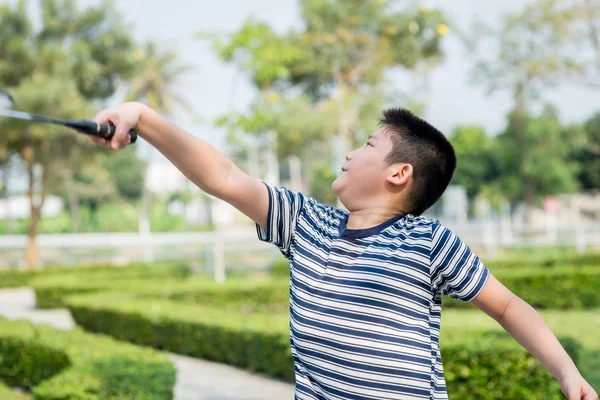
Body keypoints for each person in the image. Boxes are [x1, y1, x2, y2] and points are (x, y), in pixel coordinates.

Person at [91, 102, 598, 400]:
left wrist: (567, 371)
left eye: (370, 146)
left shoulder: (427, 242)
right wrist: (144, 118)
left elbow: (508, 306)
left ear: (399, 173)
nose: (352, 152)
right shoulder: (306, 224)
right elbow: (223, 177)